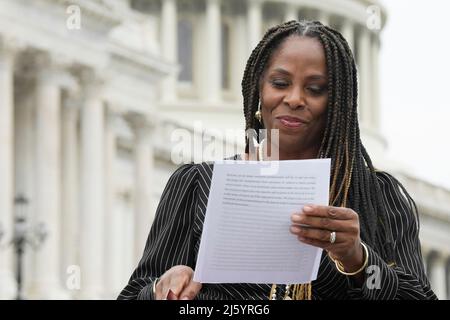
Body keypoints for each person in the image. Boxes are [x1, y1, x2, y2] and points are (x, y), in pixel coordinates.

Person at [118, 20, 436, 300]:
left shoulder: (377, 197)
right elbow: (134, 295)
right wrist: (162, 288)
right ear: (259, 90)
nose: (294, 99)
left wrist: (358, 260)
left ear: (338, 102)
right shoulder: (198, 185)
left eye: (315, 89)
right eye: (280, 83)